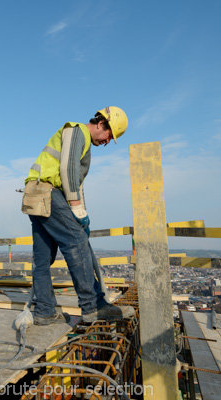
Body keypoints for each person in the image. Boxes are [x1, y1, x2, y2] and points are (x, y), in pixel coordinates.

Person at [23, 106, 136, 325]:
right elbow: (68, 169)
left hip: (34, 194)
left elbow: (75, 181)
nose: (106, 142)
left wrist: (80, 211)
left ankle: (44, 311)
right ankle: (92, 306)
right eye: (108, 136)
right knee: (77, 243)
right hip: (48, 191)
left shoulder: (80, 140)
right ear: (102, 124)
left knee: (42, 258)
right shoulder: (77, 131)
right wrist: (76, 209)